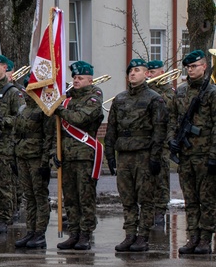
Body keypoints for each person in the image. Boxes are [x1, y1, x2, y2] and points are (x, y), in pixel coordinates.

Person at [104, 58, 167, 252]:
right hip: (124, 154)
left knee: (145, 197)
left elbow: (159, 129)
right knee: (127, 197)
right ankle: (130, 234)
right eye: (130, 70)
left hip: (144, 153)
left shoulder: (154, 98)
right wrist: (110, 155)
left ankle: (143, 236)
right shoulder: (120, 99)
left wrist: (155, 157)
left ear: (146, 74)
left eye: (137, 70)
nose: (132, 73)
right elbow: (112, 129)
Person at [168, 50, 216, 254]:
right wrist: (172, 139)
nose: (190, 70)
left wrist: (214, 155)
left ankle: (205, 239)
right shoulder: (181, 92)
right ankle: (193, 237)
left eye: (194, 66)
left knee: (207, 199)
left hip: (205, 155)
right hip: (187, 155)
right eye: (188, 67)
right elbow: (173, 119)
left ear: (204, 67)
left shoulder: (212, 92)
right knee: (190, 199)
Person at [55, 61, 105, 251]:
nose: (76, 81)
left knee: (85, 197)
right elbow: (58, 130)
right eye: (74, 78)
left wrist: (59, 109)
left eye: (80, 78)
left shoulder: (94, 97)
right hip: (67, 155)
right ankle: (74, 233)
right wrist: (56, 151)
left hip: (84, 154)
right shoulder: (67, 99)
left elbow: (80, 119)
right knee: (70, 197)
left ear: (90, 80)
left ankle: (85, 234)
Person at [0, 54, 25, 233]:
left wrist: (1, 121)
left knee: (4, 185)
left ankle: (5, 218)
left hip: (4, 146)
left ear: (5, 68)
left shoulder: (12, 92)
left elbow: (20, 118)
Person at [13, 92, 55, 249]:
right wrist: (14, 156)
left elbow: (49, 136)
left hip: (37, 157)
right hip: (22, 156)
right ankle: (30, 231)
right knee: (28, 196)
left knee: (40, 196)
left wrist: (46, 161)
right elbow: (16, 134)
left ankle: (40, 233)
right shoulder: (22, 109)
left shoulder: (44, 109)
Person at [146, 59, 173, 226]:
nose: (149, 75)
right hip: (146, 140)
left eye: (152, 72)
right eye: (147, 72)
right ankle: (148, 210)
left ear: (161, 73)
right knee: (146, 179)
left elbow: (167, 108)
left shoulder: (168, 91)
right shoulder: (144, 91)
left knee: (161, 178)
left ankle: (160, 211)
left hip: (162, 142)